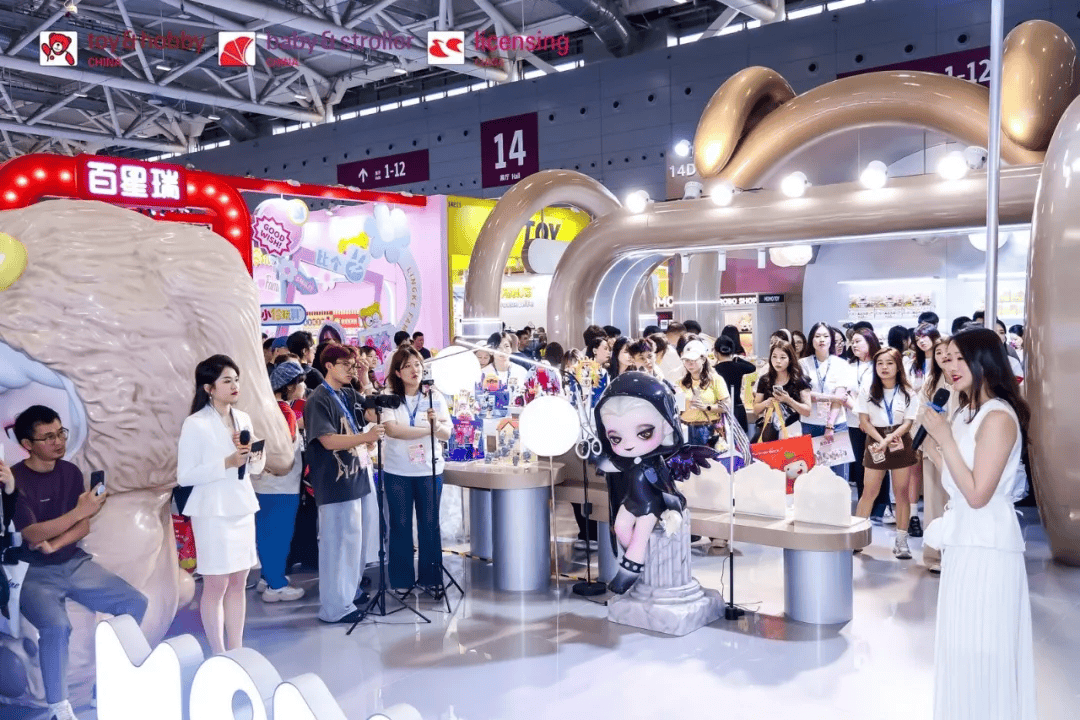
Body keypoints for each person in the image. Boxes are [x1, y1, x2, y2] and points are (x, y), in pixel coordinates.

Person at [919, 327, 1035, 719]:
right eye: (946, 358)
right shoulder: (968, 412)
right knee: (962, 644)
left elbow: (978, 494)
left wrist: (944, 439)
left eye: (959, 358)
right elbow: (958, 479)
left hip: (988, 545)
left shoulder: (998, 417)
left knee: (984, 645)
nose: (950, 366)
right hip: (965, 542)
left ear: (984, 360)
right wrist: (932, 447)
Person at [11, 406, 147, 720]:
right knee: (57, 627)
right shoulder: (15, 480)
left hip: (73, 563)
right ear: (27, 444)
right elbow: (32, 533)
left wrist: (57, 544)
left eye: (60, 433)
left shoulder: (70, 472)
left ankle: (107, 683)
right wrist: (78, 512)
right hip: (31, 572)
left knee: (135, 602)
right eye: (48, 437)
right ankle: (59, 707)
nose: (58, 441)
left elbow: (82, 526)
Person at [177, 356, 263, 653]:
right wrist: (226, 462)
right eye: (227, 380)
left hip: (241, 506)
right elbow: (185, 475)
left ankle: (236, 649)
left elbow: (255, 466)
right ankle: (218, 652)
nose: (234, 385)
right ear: (209, 388)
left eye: (236, 379)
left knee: (239, 581)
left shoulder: (243, 419)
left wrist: (253, 453)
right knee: (216, 584)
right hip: (212, 511)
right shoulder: (195, 424)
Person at [304, 345, 385, 623]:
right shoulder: (318, 398)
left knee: (356, 542)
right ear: (328, 365)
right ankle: (334, 607)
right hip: (334, 481)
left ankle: (349, 592)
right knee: (337, 545)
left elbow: (370, 414)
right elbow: (327, 440)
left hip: (356, 474)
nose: (351, 370)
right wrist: (364, 438)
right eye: (346, 365)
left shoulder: (347, 393)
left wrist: (364, 379)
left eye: (354, 365)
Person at [380, 347, 453, 593]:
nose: (415, 370)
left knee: (429, 525)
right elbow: (393, 430)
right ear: (397, 372)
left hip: (429, 471)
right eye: (408, 366)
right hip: (397, 472)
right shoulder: (389, 396)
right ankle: (401, 581)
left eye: (418, 365)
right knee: (400, 526)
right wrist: (428, 430)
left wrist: (436, 426)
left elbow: (447, 432)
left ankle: (431, 579)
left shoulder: (434, 396)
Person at [855, 348, 919, 559]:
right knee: (869, 492)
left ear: (898, 366)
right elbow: (864, 421)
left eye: (889, 363)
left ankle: (901, 541)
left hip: (900, 440)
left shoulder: (908, 392)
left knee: (901, 493)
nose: (884, 367)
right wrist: (881, 440)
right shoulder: (867, 390)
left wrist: (888, 439)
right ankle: (856, 538)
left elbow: (908, 422)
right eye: (880, 363)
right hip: (875, 441)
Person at [252, 361, 307, 603]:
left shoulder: (261, 410)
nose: (303, 387)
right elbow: (286, 444)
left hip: (261, 482)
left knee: (265, 533)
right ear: (290, 386)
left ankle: (267, 577)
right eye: (300, 382)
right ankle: (276, 584)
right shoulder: (285, 412)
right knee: (279, 536)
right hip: (282, 485)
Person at [915, 333, 952, 574]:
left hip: (957, 450)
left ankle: (956, 554)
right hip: (932, 449)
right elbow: (920, 414)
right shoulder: (930, 383)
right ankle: (933, 555)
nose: (943, 357)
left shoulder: (965, 379)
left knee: (956, 503)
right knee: (934, 505)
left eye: (948, 352)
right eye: (938, 353)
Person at [799, 322, 853, 480]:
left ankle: (840, 498)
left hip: (837, 424)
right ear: (811, 340)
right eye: (817, 336)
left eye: (825, 336)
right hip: (810, 423)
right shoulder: (802, 364)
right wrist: (833, 397)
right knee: (812, 474)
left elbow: (840, 396)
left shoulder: (841, 364)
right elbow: (805, 395)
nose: (821, 339)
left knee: (839, 475)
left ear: (831, 340)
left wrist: (830, 425)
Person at [845, 328, 889, 521]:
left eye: (858, 341)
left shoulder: (879, 364)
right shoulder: (849, 365)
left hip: (875, 422)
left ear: (870, 342)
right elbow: (845, 393)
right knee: (860, 464)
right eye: (852, 342)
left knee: (878, 463)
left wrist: (854, 405)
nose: (853, 345)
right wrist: (857, 410)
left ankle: (882, 507)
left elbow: (878, 395)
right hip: (854, 423)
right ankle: (865, 508)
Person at [751, 342, 811, 442]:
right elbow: (756, 409)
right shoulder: (765, 380)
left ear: (790, 359)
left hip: (792, 430)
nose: (778, 361)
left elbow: (807, 411)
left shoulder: (799, 380)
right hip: (769, 431)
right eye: (774, 357)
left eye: (783, 357)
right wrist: (766, 403)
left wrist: (788, 400)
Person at [678, 337, 730, 448]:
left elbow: (726, 405)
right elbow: (677, 409)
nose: (690, 364)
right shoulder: (680, 383)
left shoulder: (715, 380)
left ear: (703, 359)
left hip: (708, 429)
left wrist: (707, 407)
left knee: (710, 458)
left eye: (694, 360)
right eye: (687, 360)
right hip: (686, 428)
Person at [714, 334, 755, 430]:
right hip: (738, 409)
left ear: (716, 352)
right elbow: (752, 367)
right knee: (742, 438)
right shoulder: (739, 366)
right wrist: (737, 358)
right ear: (732, 351)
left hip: (721, 410)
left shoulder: (714, 370)